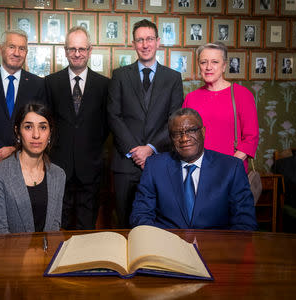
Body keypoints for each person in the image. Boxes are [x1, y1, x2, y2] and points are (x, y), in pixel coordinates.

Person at [108, 19, 183, 228]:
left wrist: (150, 149)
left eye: (149, 39)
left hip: (161, 160)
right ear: (133, 44)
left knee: (159, 223)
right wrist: (135, 151)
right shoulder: (120, 76)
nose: (145, 44)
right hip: (126, 163)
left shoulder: (173, 78)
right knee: (124, 221)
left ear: (158, 42)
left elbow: (174, 118)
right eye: (140, 40)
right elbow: (113, 116)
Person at [129, 108, 258, 230]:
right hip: (167, 246)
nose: (184, 138)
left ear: (203, 132)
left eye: (191, 130)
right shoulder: (155, 166)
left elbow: (245, 221)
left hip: (215, 247)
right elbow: (140, 215)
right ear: (171, 138)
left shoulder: (231, 167)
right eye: (177, 134)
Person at [45, 27, 109, 230]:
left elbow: (107, 123)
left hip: (91, 167)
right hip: (58, 166)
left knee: (86, 229)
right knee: (58, 227)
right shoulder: (50, 83)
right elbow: (47, 122)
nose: (77, 53)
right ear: (65, 51)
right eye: (72, 49)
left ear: (90, 51)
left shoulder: (105, 85)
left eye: (82, 48)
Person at [0, 30, 46, 167]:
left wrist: (16, 149)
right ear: (1, 49)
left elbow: (39, 124)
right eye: (11, 47)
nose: (17, 53)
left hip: (25, 160)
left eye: (22, 48)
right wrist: (1, 149)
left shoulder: (38, 84)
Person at [0, 103, 65, 234]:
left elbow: (54, 226)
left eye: (43, 127)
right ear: (18, 132)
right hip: (12, 252)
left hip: (48, 252)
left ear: (50, 133)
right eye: (28, 127)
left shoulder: (58, 174)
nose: (36, 135)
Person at [183, 42, 259, 172]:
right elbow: (183, 136)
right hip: (198, 172)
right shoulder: (191, 98)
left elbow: (251, 138)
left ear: (224, 66)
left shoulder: (242, 94)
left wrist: (229, 166)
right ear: (199, 66)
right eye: (203, 62)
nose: (208, 67)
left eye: (215, 62)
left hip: (231, 170)